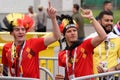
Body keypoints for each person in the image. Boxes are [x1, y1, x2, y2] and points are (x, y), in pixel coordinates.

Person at [1, 2, 61, 79]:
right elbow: (5, 68)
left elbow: (56, 37)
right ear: (11, 33)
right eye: (17, 30)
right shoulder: (7, 47)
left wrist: (53, 18)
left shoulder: (33, 43)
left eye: (23, 29)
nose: (21, 32)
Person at [55, 8, 107, 80]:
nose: (73, 33)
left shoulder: (85, 45)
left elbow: (103, 36)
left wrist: (92, 18)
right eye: (69, 31)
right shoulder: (61, 54)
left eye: (74, 30)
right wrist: (58, 78)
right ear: (64, 35)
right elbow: (61, 76)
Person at [87, 11, 120, 80]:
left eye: (111, 21)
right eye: (106, 20)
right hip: (95, 77)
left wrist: (115, 68)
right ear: (99, 22)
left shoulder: (117, 39)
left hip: (113, 77)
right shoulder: (91, 39)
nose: (110, 23)